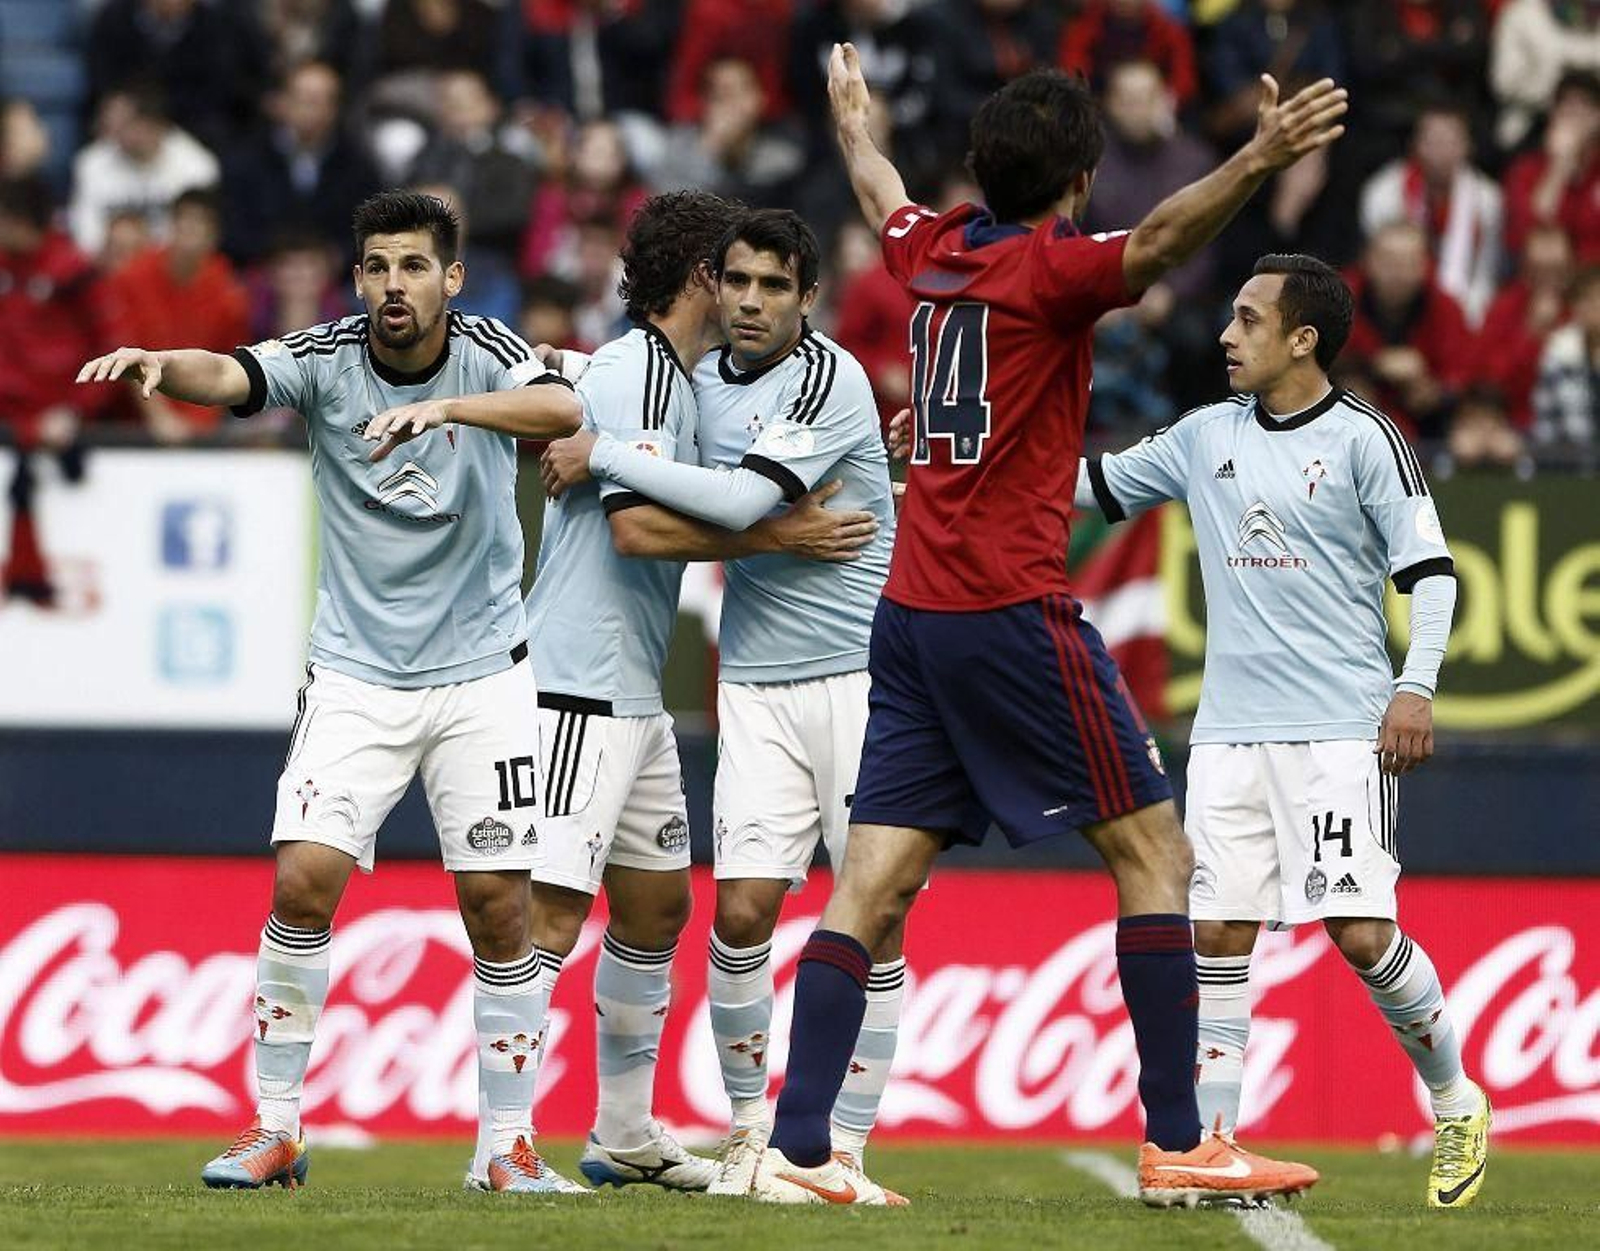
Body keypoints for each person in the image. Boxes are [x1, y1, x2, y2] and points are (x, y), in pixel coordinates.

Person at [744, 43, 1344, 1209]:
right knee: (1154, 853)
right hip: (1011, 608)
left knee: (869, 888)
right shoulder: (1052, 270)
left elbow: (877, 186)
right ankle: (1179, 1140)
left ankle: (800, 1149)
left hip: (911, 612)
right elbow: (1165, 238)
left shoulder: (932, 250)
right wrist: (1259, 155)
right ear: (1076, 181)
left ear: (979, 169)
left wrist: (852, 121)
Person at [76, 191, 584, 1193]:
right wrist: (162, 363)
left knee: (496, 907)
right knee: (304, 881)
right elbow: (232, 373)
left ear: (450, 279)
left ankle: (505, 1146)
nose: (392, 284)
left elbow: (561, 409)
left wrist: (444, 408)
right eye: (377, 266)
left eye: (412, 266)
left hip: (483, 674)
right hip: (355, 672)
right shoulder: (325, 357)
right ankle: (274, 1129)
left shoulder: (485, 349)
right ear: (359, 279)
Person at [452, 192, 879, 1194]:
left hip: (633, 694)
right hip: (574, 688)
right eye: (729, 272)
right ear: (700, 277)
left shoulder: (669, 378)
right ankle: (502, 1145)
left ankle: (625, 1130)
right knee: (548, 916)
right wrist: (781, 533)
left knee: (651, 913)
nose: (742, 293)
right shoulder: (641, 367)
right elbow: (637, 529)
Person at [1076, 254, 1490, 1210]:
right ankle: (1216, 1140)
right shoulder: (1203, 435)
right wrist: (957, 460)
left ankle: (1457, 1098)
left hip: (1340, 731)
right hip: (1227, 733)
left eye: (1250, 320)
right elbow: (1089, 486)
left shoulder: (1365, 440)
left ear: (1303, 339)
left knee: (1357, 929)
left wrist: (1414, 687)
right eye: (1232, 316)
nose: (1227, 335)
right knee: (1215, 928)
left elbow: (1432, 570)